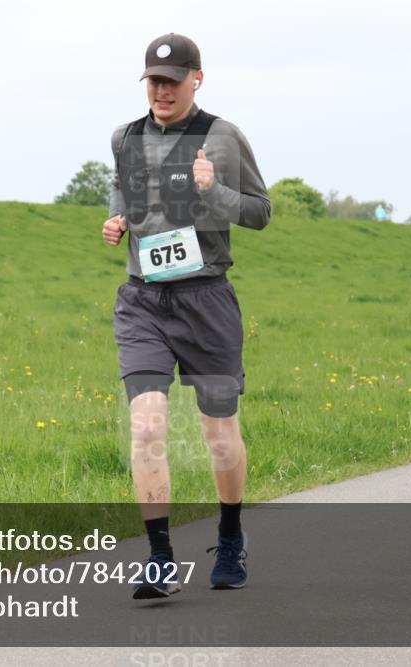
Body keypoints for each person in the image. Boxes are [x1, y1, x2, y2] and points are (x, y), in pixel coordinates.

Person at [102, 33, 270, 599]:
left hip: (207, 300)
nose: (162, 90)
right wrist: (116, 223)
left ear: (198, 78)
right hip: (144, 300)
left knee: (218, 435)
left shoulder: (223, 137)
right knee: (147, 426)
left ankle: (229, 537)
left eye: (172, 81)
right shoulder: (123, 137)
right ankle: (159, 559)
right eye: (153, 80)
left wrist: (214, 192)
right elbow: (124, 198)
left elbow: (260, 213)